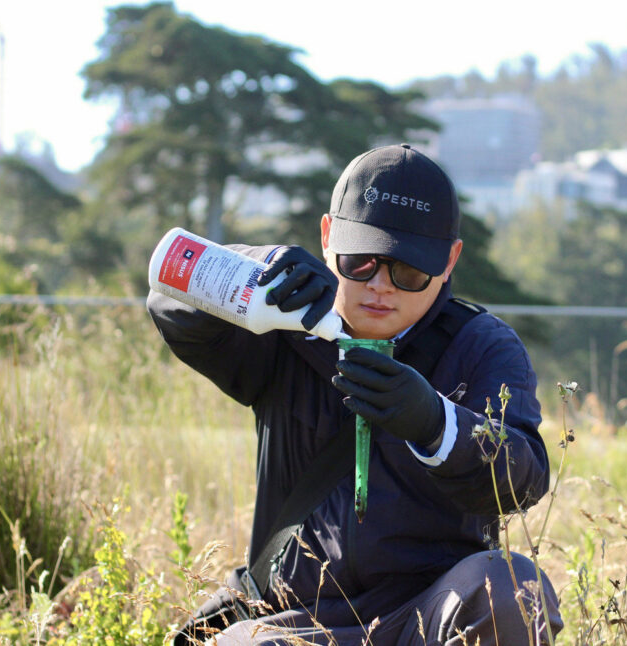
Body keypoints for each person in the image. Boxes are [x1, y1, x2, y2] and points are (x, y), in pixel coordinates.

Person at [148, 143, 562, 645]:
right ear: (327, 237)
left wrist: (437, 426)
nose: (380, 285)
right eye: (360, 260)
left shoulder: (481, 345)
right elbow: (170, 291)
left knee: (512, 588)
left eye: (409, 270)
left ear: (449, 260)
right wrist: (257, 271)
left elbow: (526, 479)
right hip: (293, 622)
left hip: (426, 617)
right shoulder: (281, 322)